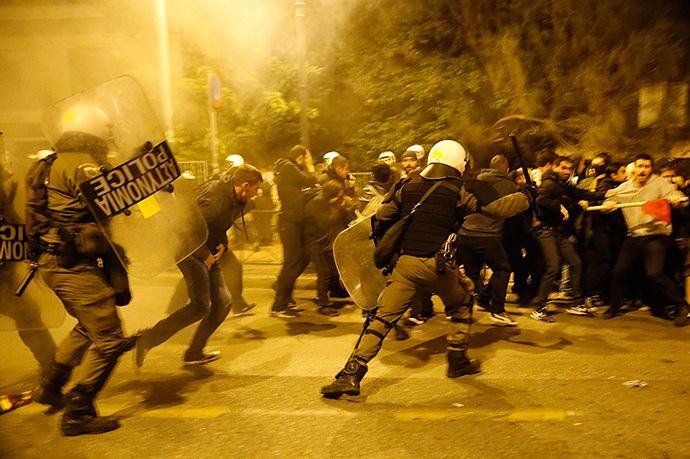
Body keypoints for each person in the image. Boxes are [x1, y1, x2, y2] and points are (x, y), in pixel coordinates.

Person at [321, 140, 530, 399]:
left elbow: (383, 216)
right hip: (437, 266)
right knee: (463, 301)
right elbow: (498, 209)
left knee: (382, 319)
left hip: (405, 265)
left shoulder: (407, 185)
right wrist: (526, 196)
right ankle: (457, 360)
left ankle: (350, 374)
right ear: (459, 162)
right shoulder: (460, 190)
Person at [31, 105, 138, 435]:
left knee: (87, 326)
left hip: (57, 261)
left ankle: (52, 384)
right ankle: (79, 409)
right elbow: (106, 201)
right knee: (109, 338)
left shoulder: (55, 162)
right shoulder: (82, 163)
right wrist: (142, 181)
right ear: (93, 131)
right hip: (72, 265)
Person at [135, 165, 262, 369]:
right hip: (190, 253)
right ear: (245, 185)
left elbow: (217, 226)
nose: (257, 193)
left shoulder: (234, 198)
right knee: (200, 306)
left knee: (222, 304)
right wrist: (204, 255)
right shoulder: (216, 198)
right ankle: (147, 339)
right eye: (256, 189)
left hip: (208, 254)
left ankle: (194, 352)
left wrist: (222, 246)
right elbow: (186, 227)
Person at [601, 154, 689, 325]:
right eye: (640, 166)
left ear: (651, 169)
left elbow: (679, 199)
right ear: (634, 168)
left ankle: (682, 305)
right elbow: (609, 201)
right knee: (618, 271)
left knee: (654, 273)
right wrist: (607, 206)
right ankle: (614, 306)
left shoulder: (660, 184)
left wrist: (676, 201)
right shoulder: (624, 187)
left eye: (646, 167)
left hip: (657, 235)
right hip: (634, 236)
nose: (643, 170)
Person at [529, 155, 606, 322]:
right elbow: (540, 201)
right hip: (546, 231)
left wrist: (605, 194)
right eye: (563, 168)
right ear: (555, 167)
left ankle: (577, 303)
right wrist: (559, 207)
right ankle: (539, 307)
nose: (567, 171)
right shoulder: (550, 183)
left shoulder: (561, 185)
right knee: (553, 267)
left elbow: (580, 193)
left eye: (569, 168)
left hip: (557, 232)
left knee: (575, 263)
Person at [457, 154, 519, 326]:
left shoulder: (476, 180)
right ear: (507, 170)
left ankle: (466, 309)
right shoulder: (509, 185)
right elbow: (514, 209)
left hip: (465, 233)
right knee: (503, 269)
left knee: (471, 274)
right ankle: (497, 310)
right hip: (487, 234)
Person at [270, 145, 319, 318]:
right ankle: (279, 304)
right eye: (306, 158)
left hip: (293, 221)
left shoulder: (286, 168)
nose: (306, 162)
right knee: (292, 262)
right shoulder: (289, 167)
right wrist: (311, 167)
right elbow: (310, 179)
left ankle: (283, 291)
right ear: (301, 156)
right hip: (289, 222)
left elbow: (295, 193)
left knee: (300, 258)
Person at [303, 181, 357, 315]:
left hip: (328, 242)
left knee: (333, 270)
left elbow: (347, 220)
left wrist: (348, 209)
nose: (339, 199)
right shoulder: (316, 204)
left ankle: (335, 291)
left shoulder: (331, 203)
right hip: (315, 243)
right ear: (330, 195)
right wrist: (339, 210)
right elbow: (324, 223)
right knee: (324, 273)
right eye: (337, 196)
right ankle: (322, 303)